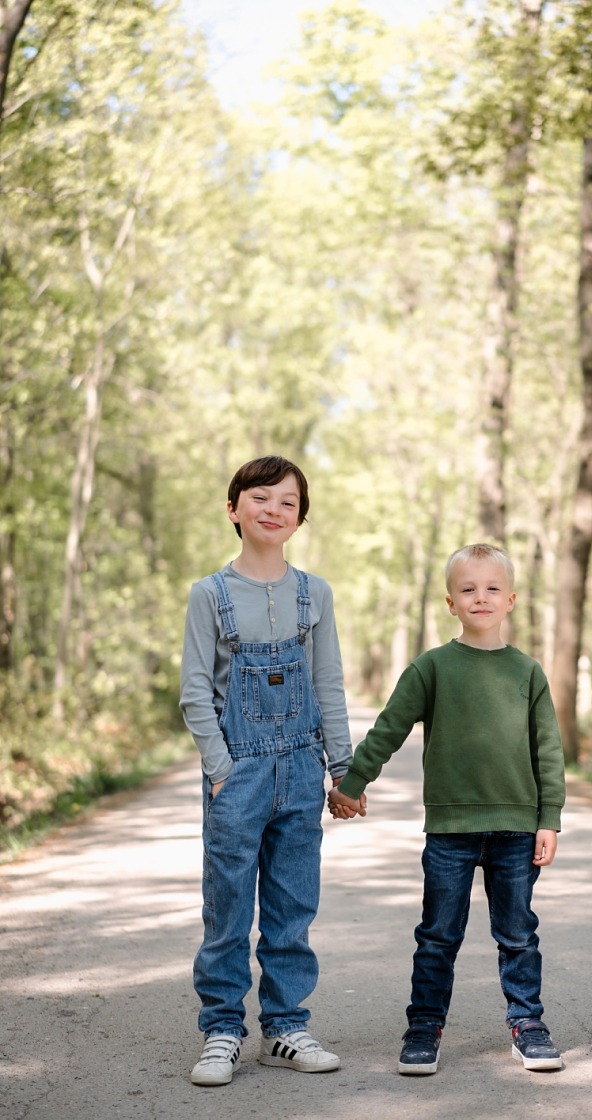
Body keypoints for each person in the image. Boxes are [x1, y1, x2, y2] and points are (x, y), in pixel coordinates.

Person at [328, 542, 566, 1077]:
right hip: (451, 832)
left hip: (515, 830)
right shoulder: (432, 667)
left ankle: (528, 1025)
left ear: (511, 600)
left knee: (518, 935)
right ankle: (423, 1029)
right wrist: (351, 783)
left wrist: (549, 817)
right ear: (449, 602)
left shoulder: (528, 673)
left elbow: (547, 750)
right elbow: (389, 727)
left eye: (491, 588)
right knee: (438, 936)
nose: (479, 597)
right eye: (467, 589)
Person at [179, 455, 352, 1086]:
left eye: (287, 501)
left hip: (302, 770)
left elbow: (328, 683)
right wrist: (221, 770)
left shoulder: (315, 594)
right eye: (260, 497)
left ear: (300, 518)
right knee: (227, 910)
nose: (273, 509)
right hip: (239, 774)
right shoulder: (210, 594)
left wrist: (343, 769)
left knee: (291, 906)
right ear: (233, 509)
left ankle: (284, 1027)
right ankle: (222, 1030)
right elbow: (196, 691)